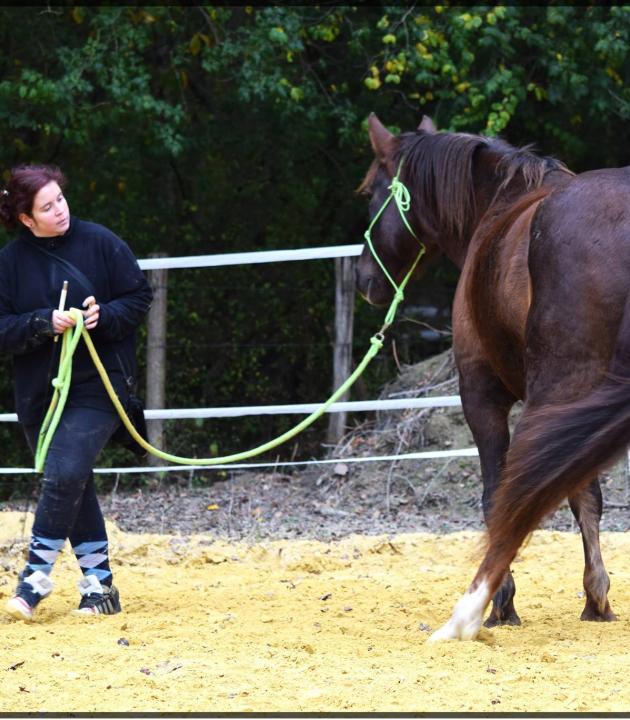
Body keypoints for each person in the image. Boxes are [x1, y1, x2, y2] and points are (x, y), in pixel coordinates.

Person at [0, 165, 153, 621]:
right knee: (74, 485)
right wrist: (43, 322)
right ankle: (100, 589)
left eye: (60, 199)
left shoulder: (102, 242)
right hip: (39, 395)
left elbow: (139, 297)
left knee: (65, 473)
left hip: (100, 384)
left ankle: (34, 579)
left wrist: (101, 316)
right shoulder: (8, 264)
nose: (60, 210)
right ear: (27, 219)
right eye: (46, 207)